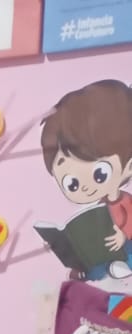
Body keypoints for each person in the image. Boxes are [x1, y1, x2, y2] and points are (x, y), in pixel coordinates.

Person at [42, 80, 132, 280]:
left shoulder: (125, 201)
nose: (84, 188)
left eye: (100, 174)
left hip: (126, 248)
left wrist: (124, 234)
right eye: (71, 184)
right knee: (92, 267)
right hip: (106, 255)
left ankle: (120, 268)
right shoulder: (96, 209)